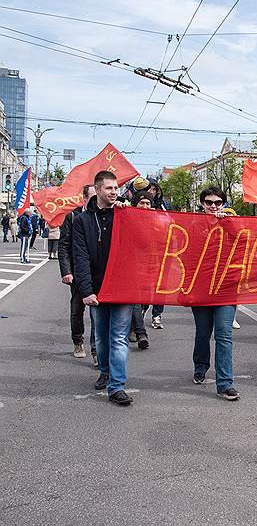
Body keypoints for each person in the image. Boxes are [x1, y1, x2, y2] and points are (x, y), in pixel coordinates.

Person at [73, 171, 134, 406]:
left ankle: (117, 386)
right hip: (97, 289)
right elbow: (80, 256)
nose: (114, 192)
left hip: (122, 287)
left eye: (116, 188)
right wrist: (86, 290)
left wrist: (128, 212)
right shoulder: (82, 220)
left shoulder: (124, 215)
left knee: (118, 337)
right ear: (97, 190)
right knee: (102, 336)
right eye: (109, 188)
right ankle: (106, 372)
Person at [191, 186, 240, 401]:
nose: (213, 206)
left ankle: (225, 383)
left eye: (218, 202)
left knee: (224, 333)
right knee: (203, 333)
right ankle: (200, 366)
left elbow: (243, 243)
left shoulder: (232, 223)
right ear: (202, 204)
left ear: (224, 204)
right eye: (209, 202)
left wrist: (227, 223)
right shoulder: (193, 224)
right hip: (201, 288)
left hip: (226, 288)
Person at [59, 185, 97, 362]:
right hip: (77, 272)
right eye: (93, 196)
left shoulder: (102, 216)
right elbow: (64, 246)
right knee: (77, 310)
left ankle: (97, 350)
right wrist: (66, 271)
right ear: (84, 199)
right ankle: (78, 341)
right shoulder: (73, 217)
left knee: (98, 313)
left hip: (98, 272)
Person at [128, 191, 153, 350]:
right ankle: (141, 333)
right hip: (132, 266)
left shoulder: (156, 220)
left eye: (148, 203)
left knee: (146, 300)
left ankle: (132, 326)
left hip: (151, 266)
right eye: (142, 203)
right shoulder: (128, 218)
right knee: (136, 299)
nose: (145, 206)